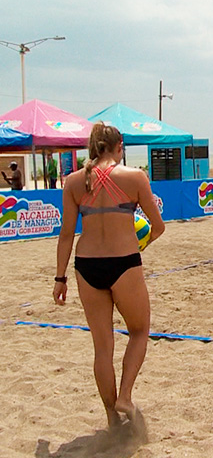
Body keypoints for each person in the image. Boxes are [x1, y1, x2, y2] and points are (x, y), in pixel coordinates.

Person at [53, 122, 165, 429]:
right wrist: (142, 242)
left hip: (86, 265)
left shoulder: (74, 181)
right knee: (139, 331)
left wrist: (59, 279)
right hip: (123, 261)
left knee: (102, 347)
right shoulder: (134, 177)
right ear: (119, 147)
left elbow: (65, 235)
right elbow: (158, 226)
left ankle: (111, 418)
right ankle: (125, 396)